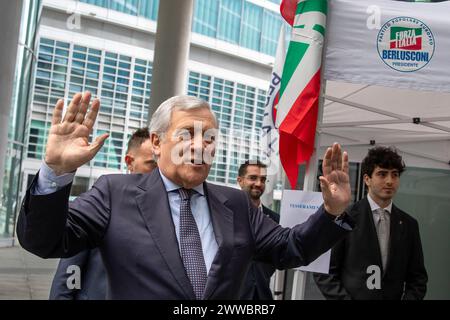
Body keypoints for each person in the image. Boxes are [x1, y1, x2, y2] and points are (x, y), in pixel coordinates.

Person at [18, 91, 353, 299]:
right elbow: (45, 241)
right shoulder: (114, 193)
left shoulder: (235, 204)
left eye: (209, 138)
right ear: (158, 142)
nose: (199, 146)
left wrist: (331, 211)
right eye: (187, 134)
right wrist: (56, 173)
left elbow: (290, 248)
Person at [49, 127, 156, 299]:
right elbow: (69, 273)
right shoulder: (102, 204)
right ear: (129, 162)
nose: (159, 173)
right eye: (152, 164)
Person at [314, 146, 428, 300]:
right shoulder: (344, 218)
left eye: (395, 175)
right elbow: (325, 273)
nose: (389, 181)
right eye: (382, 174)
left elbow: (418, 278)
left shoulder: (409, 224)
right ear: (367, 179)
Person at [237, 160, 279, 300]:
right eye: (253, 178)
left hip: (262, 295)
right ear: (240, 180)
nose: (259, 183)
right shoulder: (225, 215)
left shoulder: (275, 219)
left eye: (263, 179)